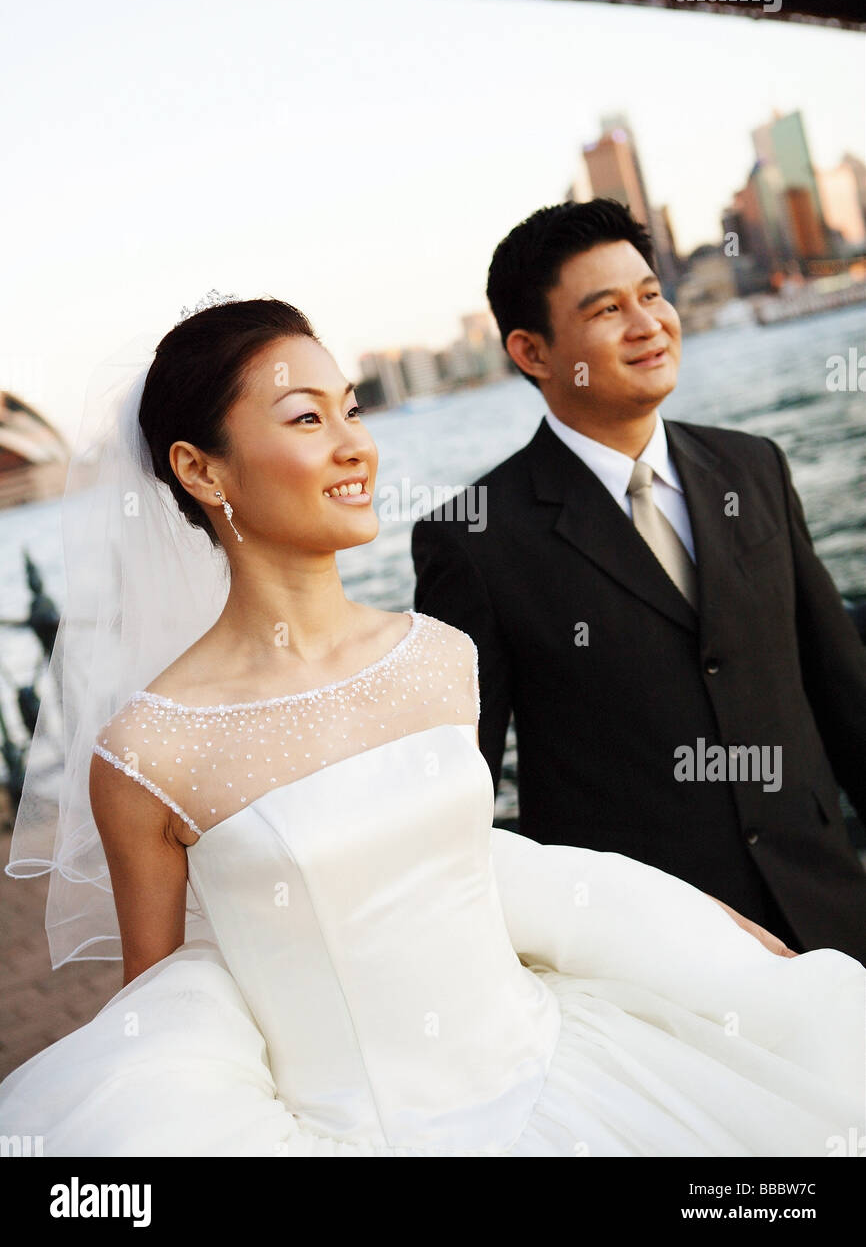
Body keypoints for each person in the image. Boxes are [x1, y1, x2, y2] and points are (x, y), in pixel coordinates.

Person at [0, 296, 862, 1158]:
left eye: (353, 408)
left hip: (576, 1086)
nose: (354, 446)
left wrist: (695, 930)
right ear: (200, 471)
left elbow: (471, 865)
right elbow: (162, 1018)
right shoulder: (150, 753)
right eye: (306, 418)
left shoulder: (437, 658)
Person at [412, 200, 866, 964]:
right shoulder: (473, 541)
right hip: (646, 963)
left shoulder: (753, 466)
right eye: (608, 309)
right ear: (532, 352)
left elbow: (841, 688)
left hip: (829, 915)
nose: (648, 323)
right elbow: (464, 799)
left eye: (652, 295)